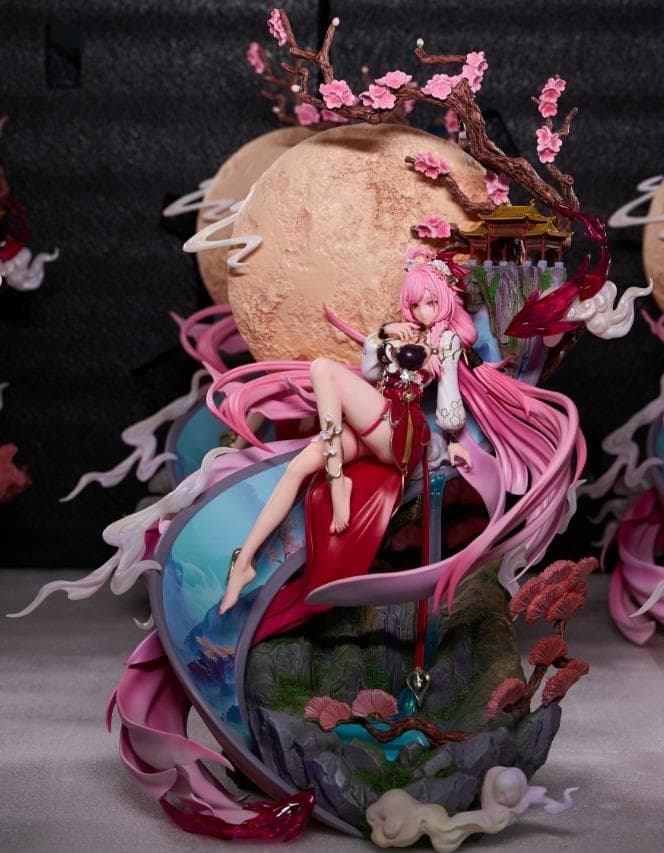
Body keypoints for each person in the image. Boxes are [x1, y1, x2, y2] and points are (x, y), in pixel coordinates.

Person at [213, 248, 585, 638]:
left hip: (400, 433)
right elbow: (370, 373)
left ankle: (337, 481)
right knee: (299, 467)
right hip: (375, 425)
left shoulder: (448, 343)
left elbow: (449, 402)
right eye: (415, 304)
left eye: (430, 302)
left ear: (445, 300)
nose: (422, 311)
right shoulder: (406, 332)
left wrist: (454, 439)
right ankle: (245, 561)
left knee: (323, 369)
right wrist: (384, 334)